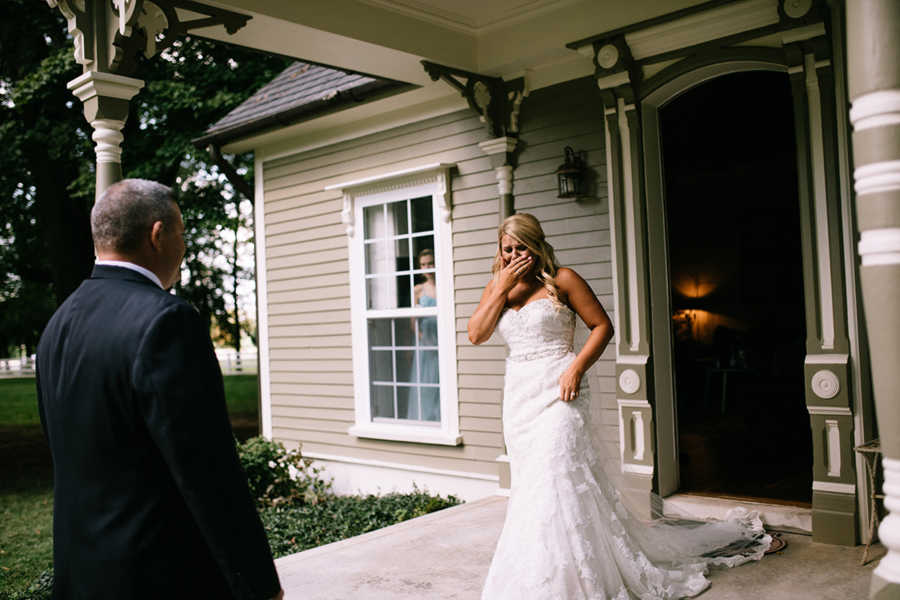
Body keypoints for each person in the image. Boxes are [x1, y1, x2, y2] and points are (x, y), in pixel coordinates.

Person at [468, 213, 771, 599]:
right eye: (507, 248)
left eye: (521, 247)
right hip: (520, 398)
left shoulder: (564, 279)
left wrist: (576, 368)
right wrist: (501, 287)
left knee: (557, 472)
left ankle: (582, 578)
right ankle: (541, 575)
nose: (514, 255)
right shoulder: (497, 286)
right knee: (534, 488)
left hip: (562, 389)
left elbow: (602, 326)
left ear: (537, 244)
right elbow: (477, 334)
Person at [36, 179, 283, 600]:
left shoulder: (58, 325)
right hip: (157, 575)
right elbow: (208, 471)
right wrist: (258, 583)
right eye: (182, 233)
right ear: (157, 235)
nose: (183, 246)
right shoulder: (167, 322)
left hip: (80, 575)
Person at [413, 248, 440, 421]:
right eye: (423, 264)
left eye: (430, 263)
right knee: (426, 380)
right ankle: (427, 416)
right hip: (426, 339)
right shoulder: (418, 289)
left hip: (441, 333)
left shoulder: (444, 285)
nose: (427, 267)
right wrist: (422, 339)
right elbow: (414, 321)